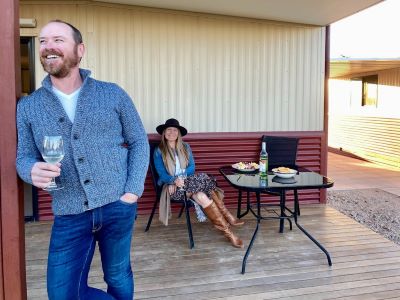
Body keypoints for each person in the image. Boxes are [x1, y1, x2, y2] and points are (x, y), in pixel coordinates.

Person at [16, 20, 149, 300]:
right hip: (69, 211)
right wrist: (30, 170)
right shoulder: (29, 106)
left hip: (117, 205)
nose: (48, 46)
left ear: (80, 49)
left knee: (117, 274)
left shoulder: (111, 93)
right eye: (42, 41)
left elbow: (138, 141)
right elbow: (24, 156)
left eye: (58, 40)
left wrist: (132, 191)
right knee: (62, 294)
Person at [153, 118, 244, 248]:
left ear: (178, 133)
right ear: (164, 133)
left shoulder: (185, 147)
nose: (171, 132)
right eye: (168, 130)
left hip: (188, 182)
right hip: (173, 189)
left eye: (174, 130)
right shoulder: (159, 150)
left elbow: (191, 168)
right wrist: (173, 180)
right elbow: (161, 173)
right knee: (204, 177)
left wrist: (180, 178)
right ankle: (227, 215)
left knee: (201, 196)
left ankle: (230, 234)